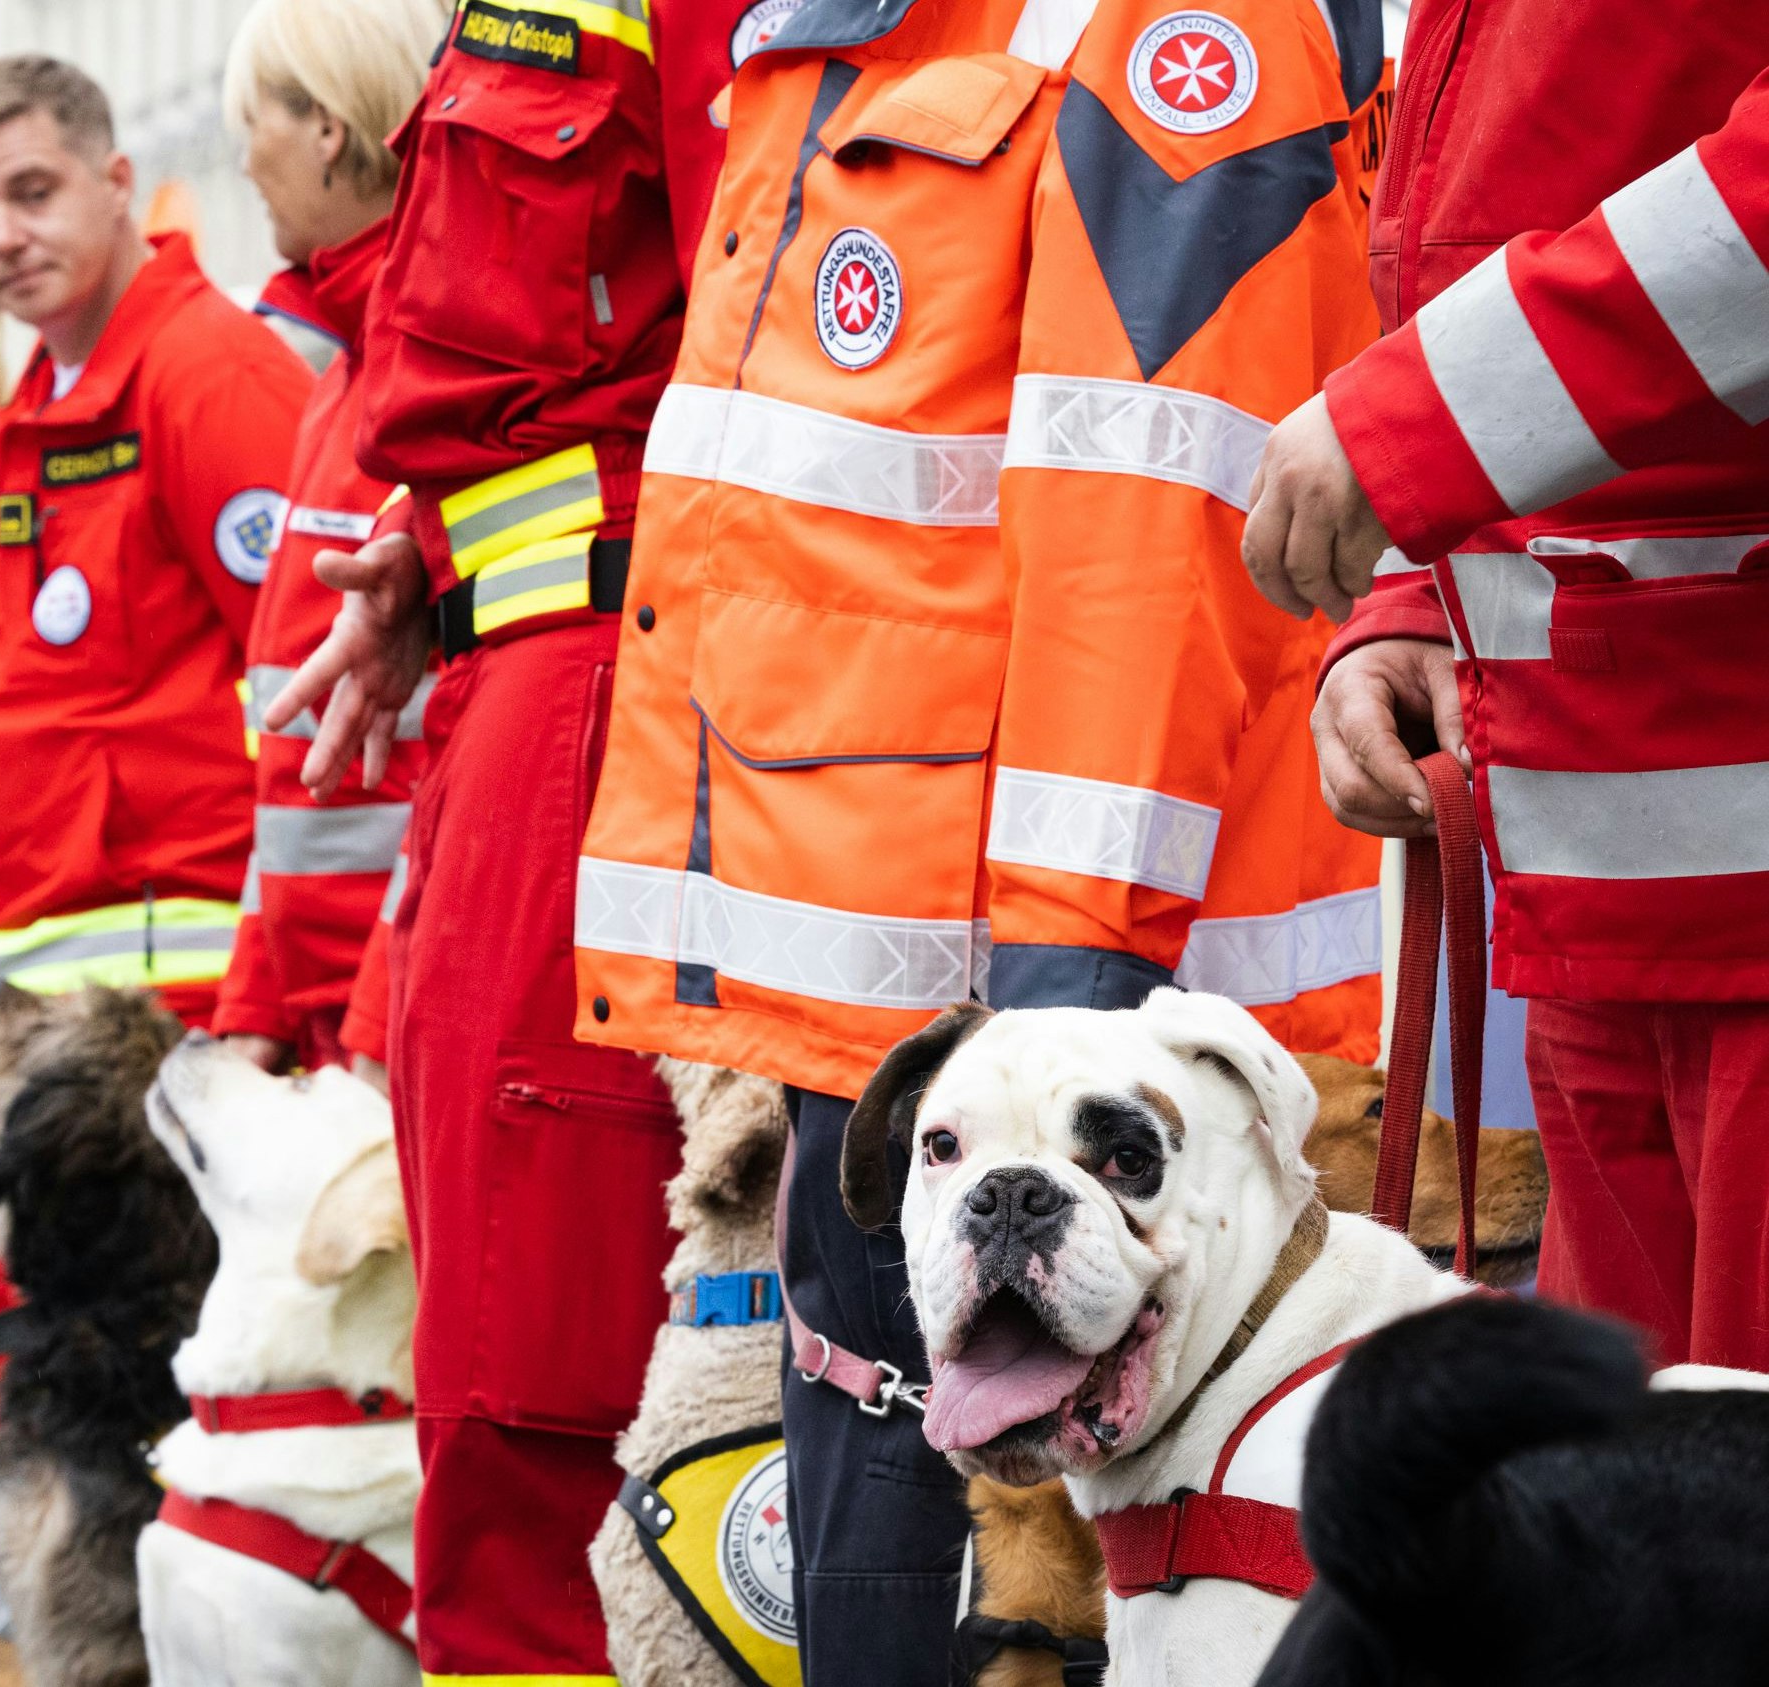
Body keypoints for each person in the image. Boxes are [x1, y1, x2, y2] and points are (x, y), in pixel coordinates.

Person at [476, 2, 1383, 1682]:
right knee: (878, 1579)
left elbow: (1150, 552)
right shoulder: (843, 36)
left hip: (1038, 1036)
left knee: (997, 1598)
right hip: (864, 1013)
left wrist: (1048, 1031)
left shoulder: (1168, 29)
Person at [256, 0, 737, 1673]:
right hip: (522, 675)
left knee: (549, 1386)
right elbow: (560, 342)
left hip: (619, 690)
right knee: (492, 1359)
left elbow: (789, 321)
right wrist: (432, 544)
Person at [1245, 29, 1769, 1369]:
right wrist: (1424, 588)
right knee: (1633, 1543)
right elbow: (1507, 202)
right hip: (1611, 909)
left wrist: (1414, 429)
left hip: (1714, 909)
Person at [0, 54, 309, 1374]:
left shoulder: (203, 374)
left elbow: (314, 676)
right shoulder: (38, 410)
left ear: (119, 179)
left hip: (181, 1020)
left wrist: (281, 989)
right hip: (65, 1026)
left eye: (33, 192)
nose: (2, 236)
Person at [206, 0, 442, 1080]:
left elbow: (457, 741)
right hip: (330, 1022)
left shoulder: (430, 358)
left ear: (326, 129)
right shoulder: (340, 369)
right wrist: (258, 996)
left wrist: (374, 1021)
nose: (244, 158)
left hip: (397, 1021)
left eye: (252, 119)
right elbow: (289, 751)